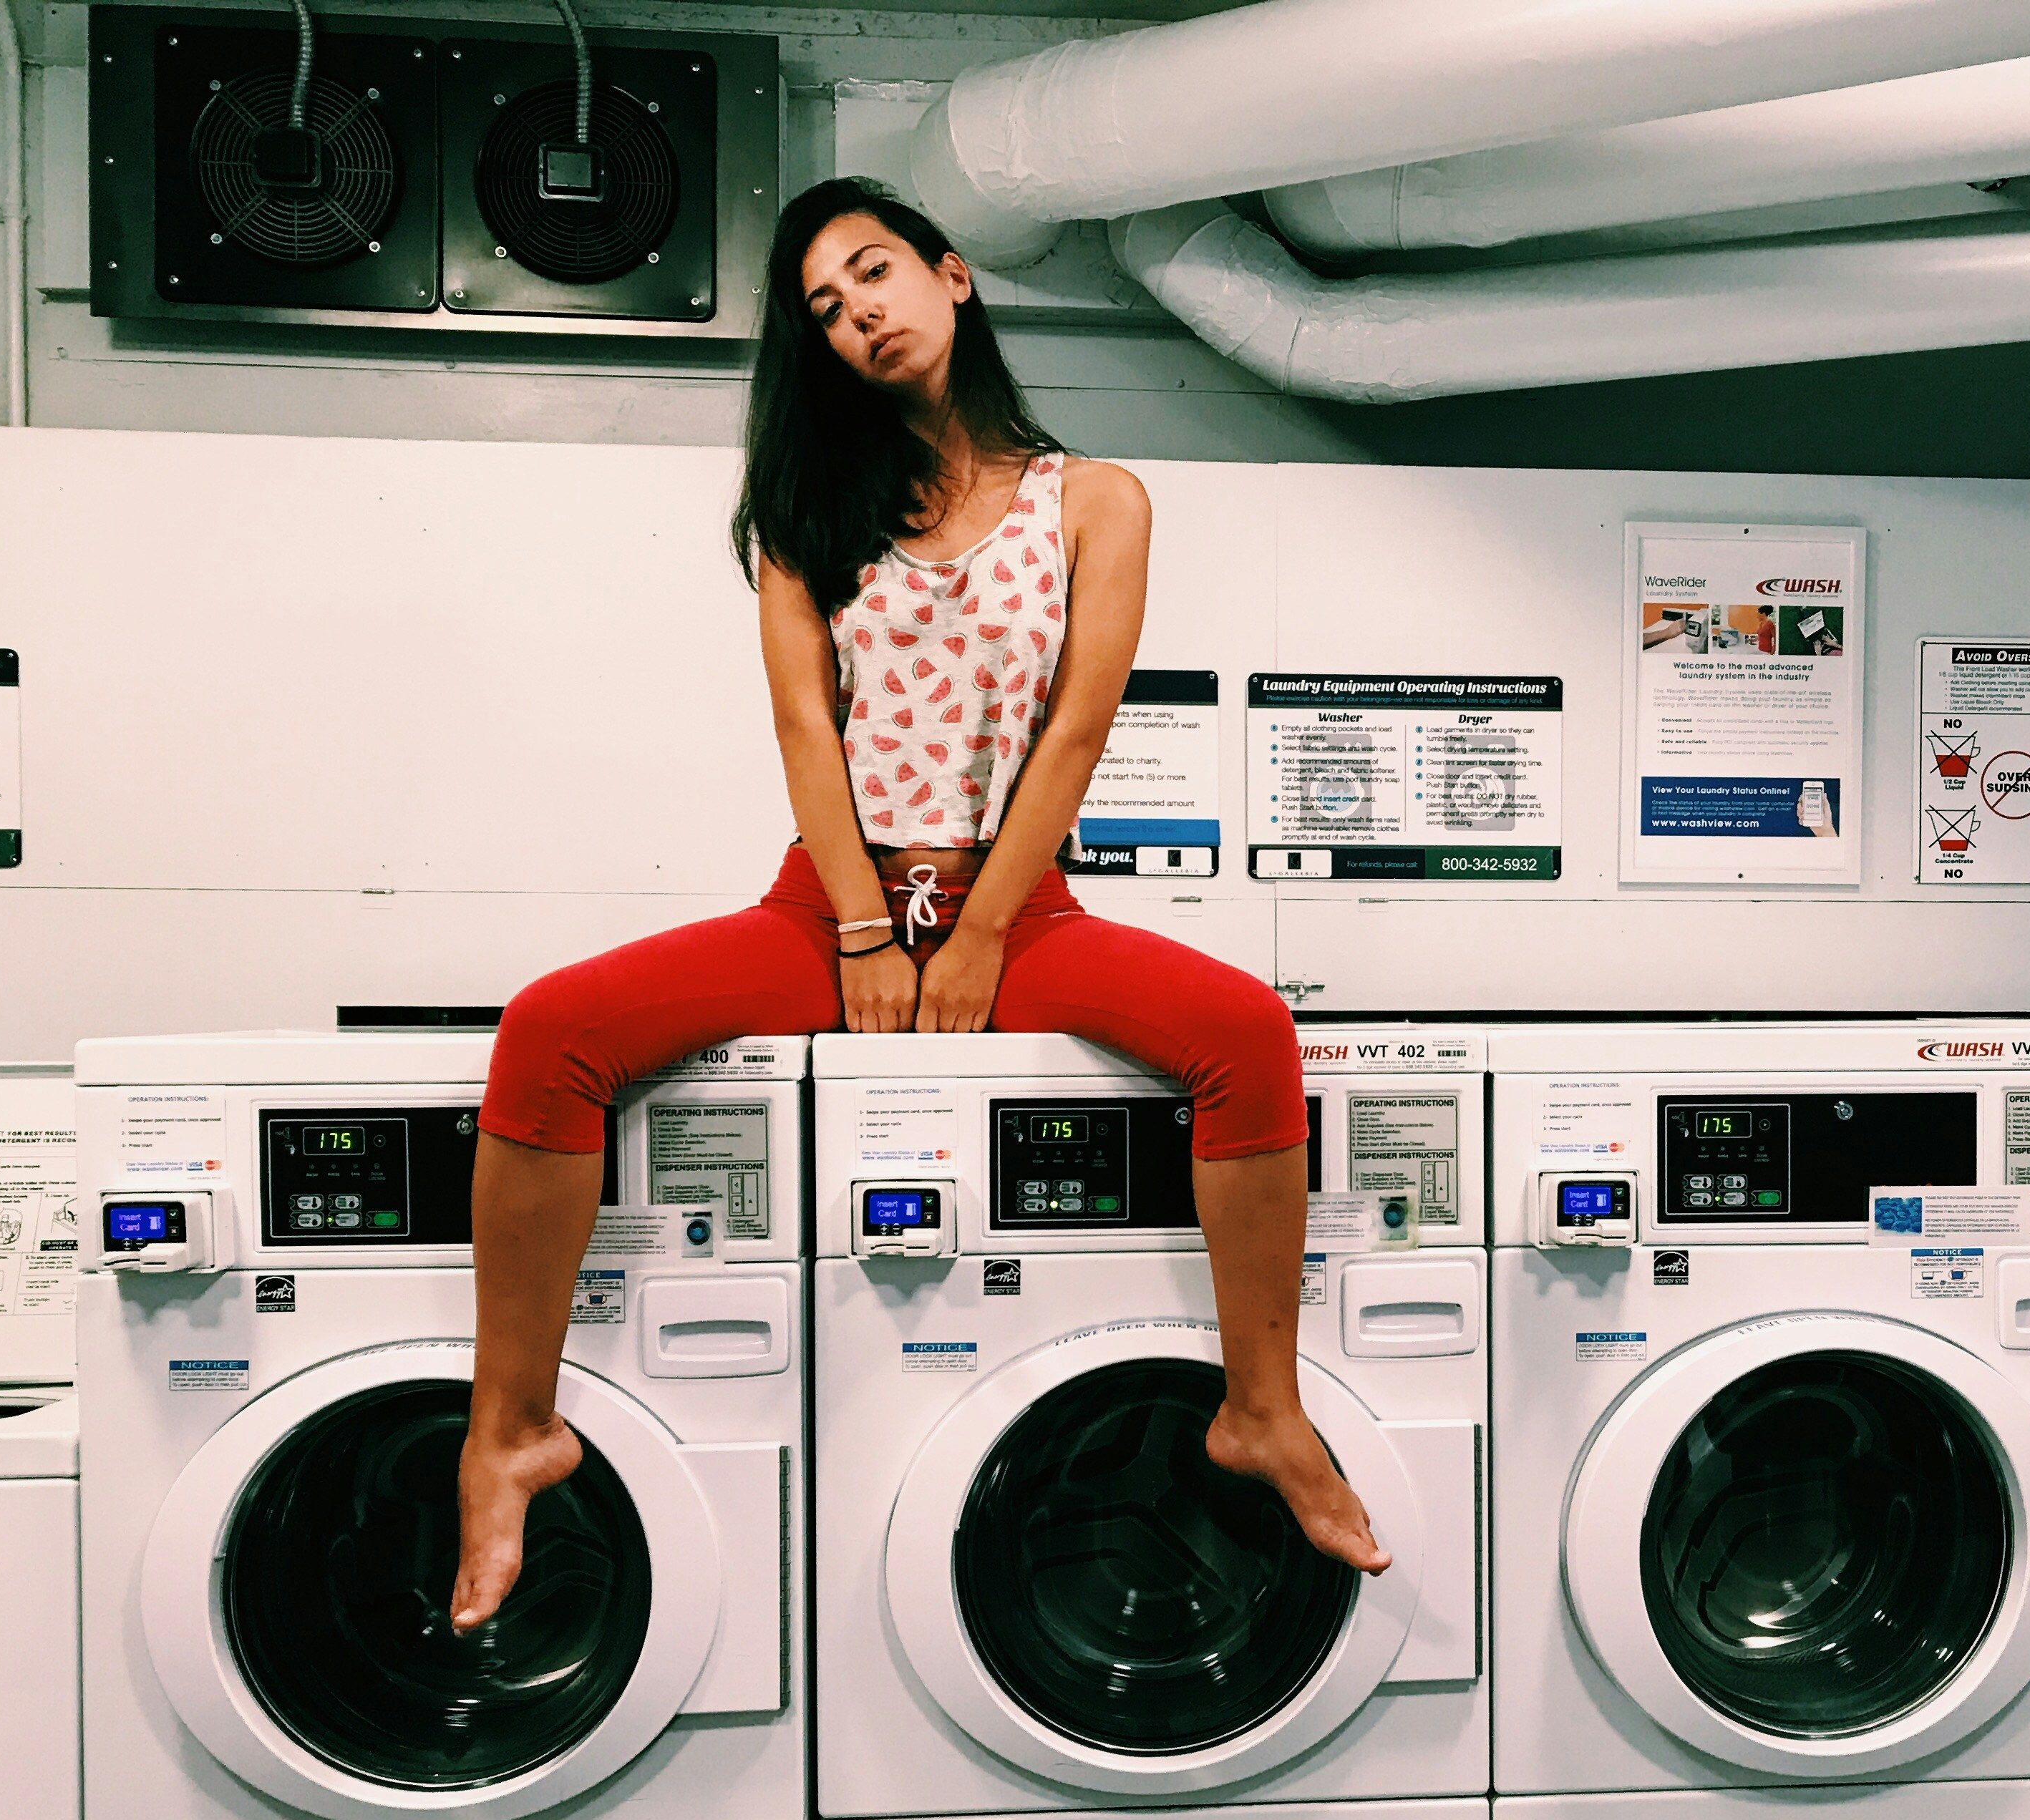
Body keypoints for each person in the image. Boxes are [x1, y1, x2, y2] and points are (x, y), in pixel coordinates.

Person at [446, 176, 1387, 1632]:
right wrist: (866, 931)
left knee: (1249, 1034)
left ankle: (1260, 1410)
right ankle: (511, 1428)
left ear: (955, 276)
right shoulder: (805, 513)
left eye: (874, 273)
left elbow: (1076, 731)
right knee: (550, 1034)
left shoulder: (1101, 501)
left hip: (1024, 913)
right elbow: (804, 732)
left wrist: (985, 933)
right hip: (826, 910)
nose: (858, 313)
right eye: (824, 308)